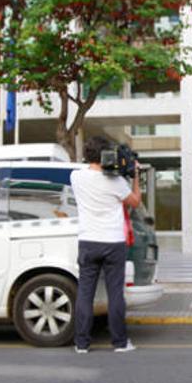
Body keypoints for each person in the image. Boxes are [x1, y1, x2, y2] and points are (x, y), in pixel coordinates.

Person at [69, 136, 141, 354]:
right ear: (106, 156)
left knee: (85, 293)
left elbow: (88, 171)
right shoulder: (116, 182)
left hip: (88, 241)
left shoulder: (76, 177)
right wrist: (135, 175)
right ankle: (119, 343)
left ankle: (81, 344)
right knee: (115, 294)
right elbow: (135, 202)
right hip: (113, 242)